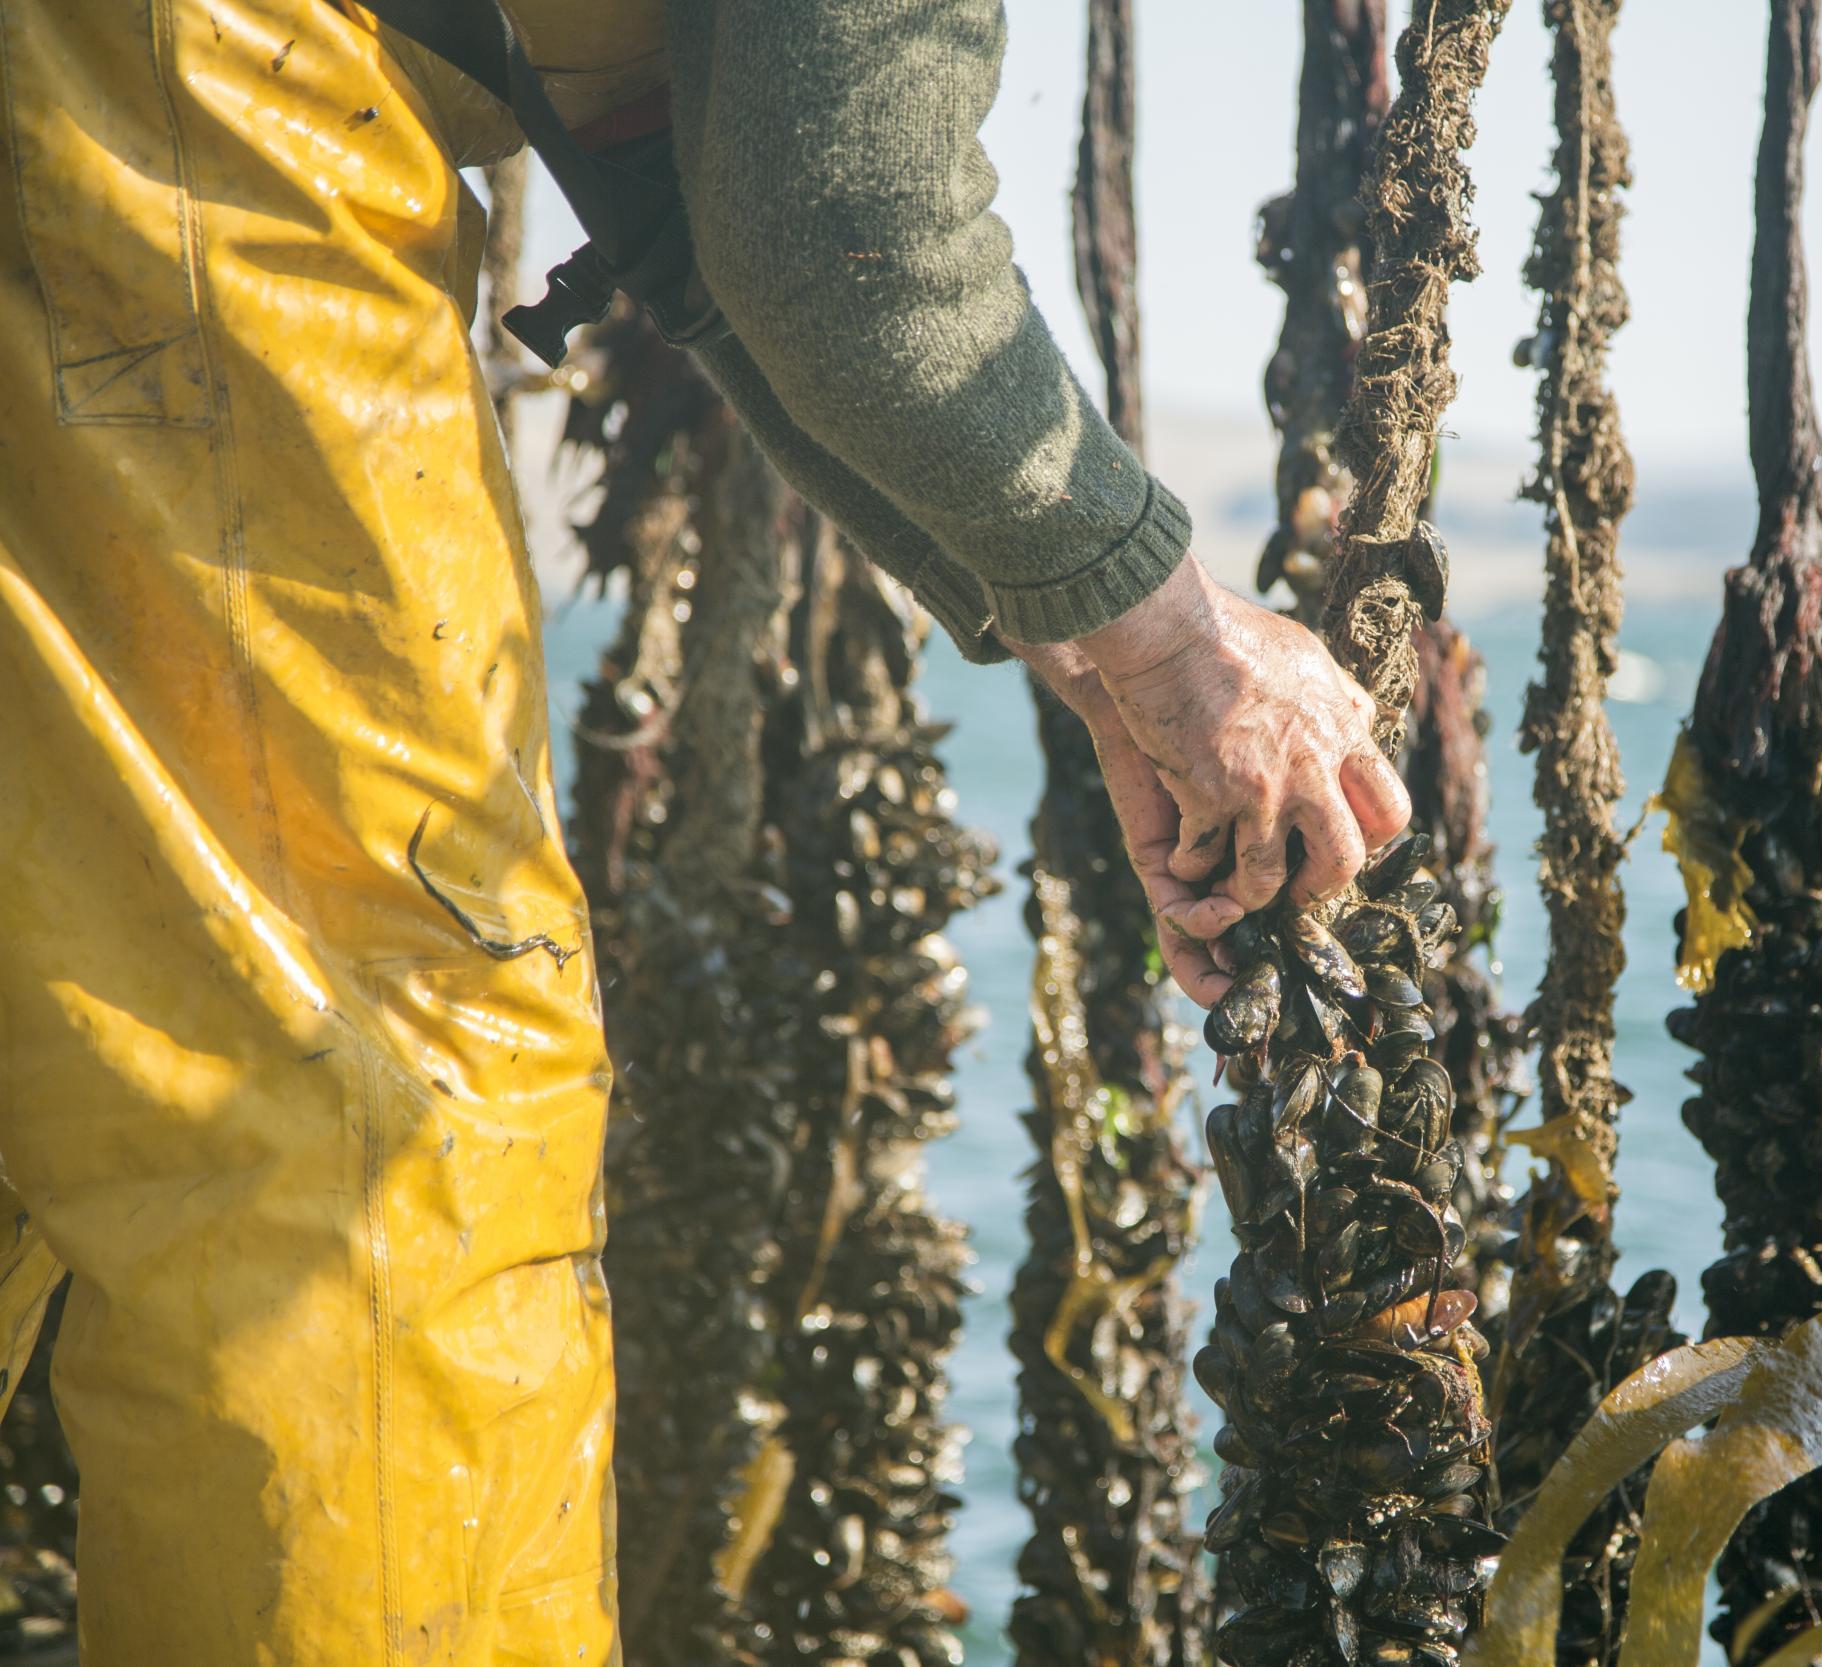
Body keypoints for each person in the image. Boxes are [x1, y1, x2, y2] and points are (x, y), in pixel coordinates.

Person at [0, 0, 1403, 1659]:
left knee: (78, 1018)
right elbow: (839, 218)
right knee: (367, 1099)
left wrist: (1104, 663)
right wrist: (1170, 642)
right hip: (171, 87)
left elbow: (722, 213)